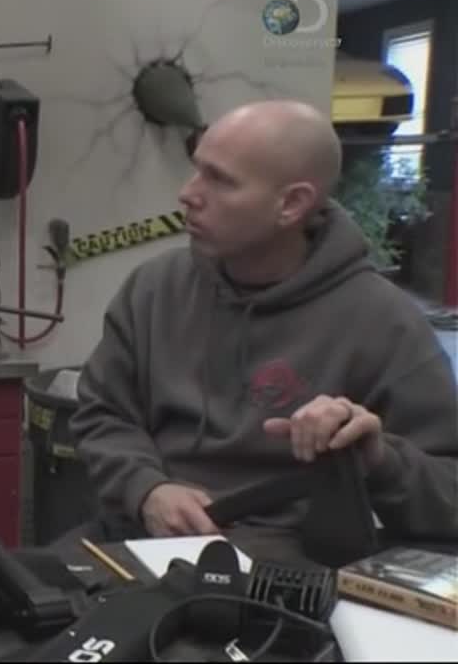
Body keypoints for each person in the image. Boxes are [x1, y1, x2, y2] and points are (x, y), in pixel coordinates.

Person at [68, 98, 458, 562]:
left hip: (288, 564)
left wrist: (379, 456)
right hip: (140, 538)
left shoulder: (383, 322)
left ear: (291, 204)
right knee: (11, 594)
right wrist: (146, 490)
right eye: (197, 170)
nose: (188, 194)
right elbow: (102, 414)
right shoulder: (154, 289)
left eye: (220, 180)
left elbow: (449, 492)